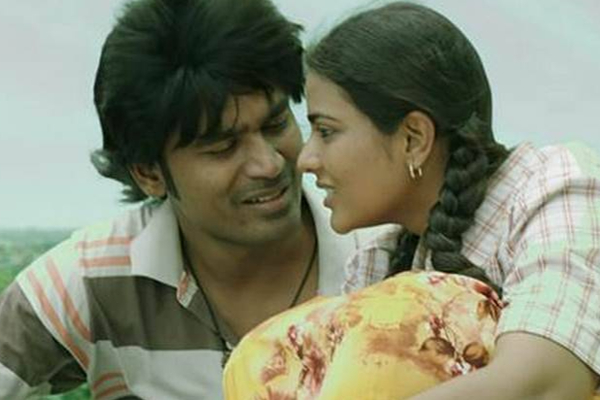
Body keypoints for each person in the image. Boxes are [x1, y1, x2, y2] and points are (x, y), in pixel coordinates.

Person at [0, 0, 382, 398]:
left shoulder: (388, 255)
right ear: (149, 173)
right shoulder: (96, 278)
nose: (269, 164)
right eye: (223, 147)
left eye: (276, 124)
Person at [223, 2, 600, 399]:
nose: (306, 159)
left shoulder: (557, 188)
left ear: (414, 139)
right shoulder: (378, 263)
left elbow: (543, 382)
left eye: (327, 132)